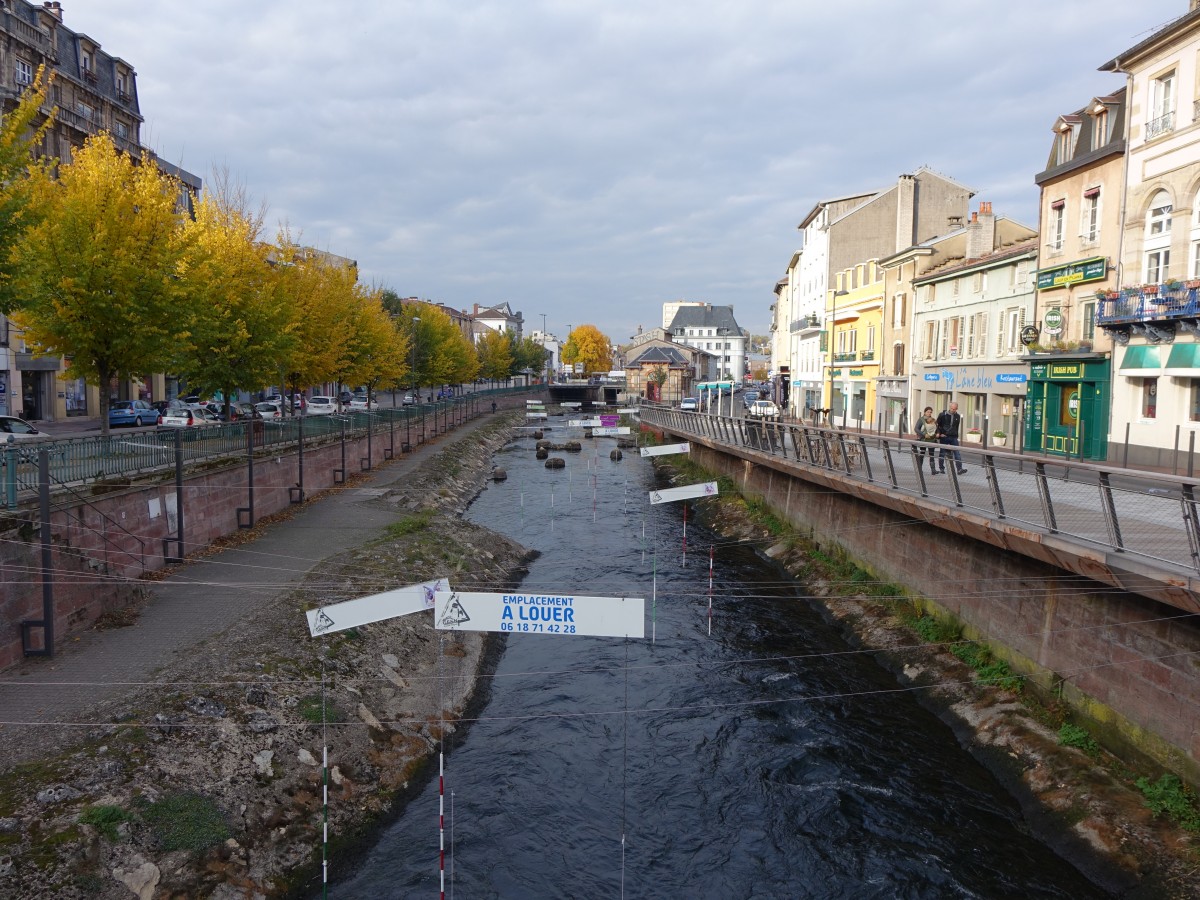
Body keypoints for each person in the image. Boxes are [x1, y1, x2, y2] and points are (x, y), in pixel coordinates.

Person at [935, 401, 968, 475]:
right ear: (950, 408)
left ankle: (959, 469)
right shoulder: (942, 415)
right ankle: (941, 468)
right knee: (942, 453)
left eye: (955, 409)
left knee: (957, 453)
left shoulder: (957, 416)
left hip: (953, 437)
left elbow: (956, 426)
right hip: (944, 436)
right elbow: (937, 425)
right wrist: (939, 434)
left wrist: (956, 435)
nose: (954, 410)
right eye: (952, 409)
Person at [914, 407, 938, 474]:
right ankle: (919, 469)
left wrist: (937, 433)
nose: (929, 413)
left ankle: (933, 470)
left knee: (932, 455)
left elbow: (936, 428)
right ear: (925, 412)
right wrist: (923, 434)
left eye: (930, 412)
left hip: (932, 440)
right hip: (923, 440)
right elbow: (916, 429)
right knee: (922, 453)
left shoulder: (933, 420)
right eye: (928, 412)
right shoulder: (921, 420)